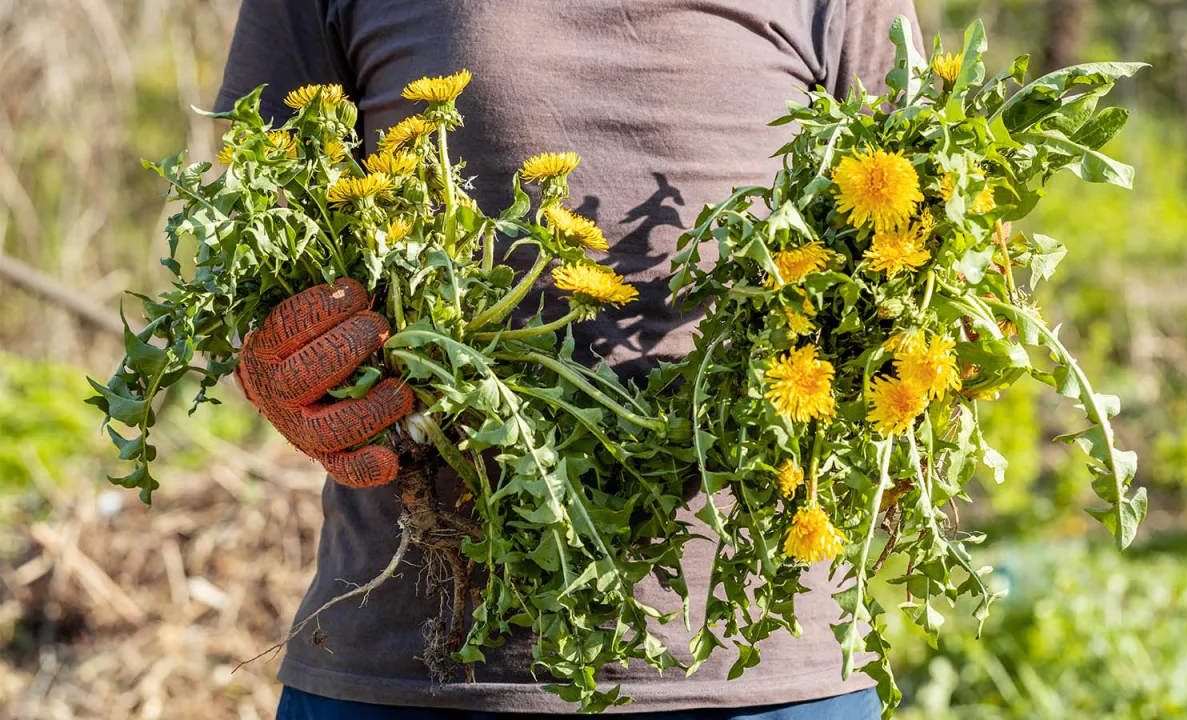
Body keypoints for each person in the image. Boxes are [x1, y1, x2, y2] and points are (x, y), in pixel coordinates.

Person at [214, 1, 919, 718]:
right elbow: (252, 222)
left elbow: (930, 226)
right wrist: (272, 362)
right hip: (416, 668)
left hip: (765, 670)